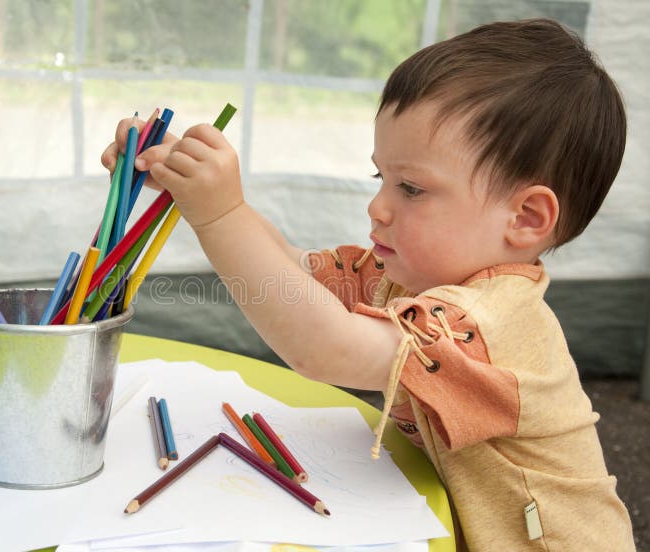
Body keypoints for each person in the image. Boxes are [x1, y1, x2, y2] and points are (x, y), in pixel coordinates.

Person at [102, 18, 634, 552]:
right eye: (381, 179)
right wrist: (190, 183)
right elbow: (292, 275)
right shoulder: (414, 280)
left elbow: (326, 347)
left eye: (411, 188)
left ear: (525, 217)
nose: (377, 207)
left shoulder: (489, 323)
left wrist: (220, 215)